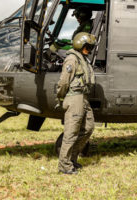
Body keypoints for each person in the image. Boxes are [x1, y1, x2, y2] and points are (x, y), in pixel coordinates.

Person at [57, 32, 97, 174]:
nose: (89, 50)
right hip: (74, 98)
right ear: (80, 44)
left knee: (88, 128)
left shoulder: (83, 59)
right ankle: (64, 166)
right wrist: (61, 97)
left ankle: (72, 159)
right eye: (87, 47)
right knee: (71, 133)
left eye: (90, 48)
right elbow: (63, 82)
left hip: (83, 98)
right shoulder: (72, 60)